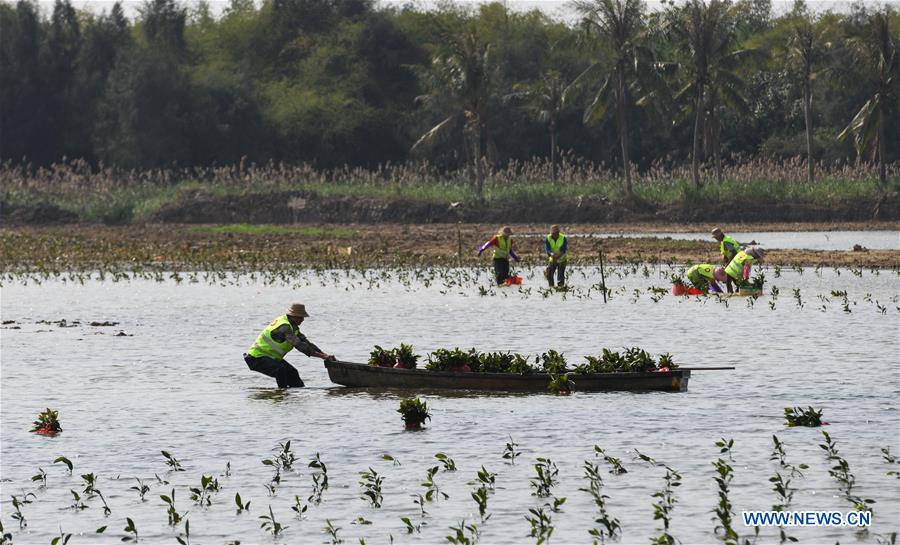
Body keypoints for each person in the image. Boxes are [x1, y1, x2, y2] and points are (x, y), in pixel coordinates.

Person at [244, 303, 335, 388]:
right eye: (300, 317)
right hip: (256, 358)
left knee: (293, 372)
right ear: (293, 316)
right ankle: (282, 394)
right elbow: (299, 345)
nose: (302, 320)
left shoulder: (293, 326)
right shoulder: (284, 326)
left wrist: (325, 355)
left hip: (270, 357)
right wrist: (322, 357)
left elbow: (306, 343)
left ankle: (298, 392)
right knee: (280, 369)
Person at [712, 228, 741, 292]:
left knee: (728, 281)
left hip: (735, 262)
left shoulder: (726, 241)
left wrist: (728, 264)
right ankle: (739, 292)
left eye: (716, 237)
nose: (716, 239)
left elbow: (734, 252)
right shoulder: (725, 240)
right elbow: (727, 253)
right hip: (736, 261)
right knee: (734, 280)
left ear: (720, 235)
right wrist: (725, 261)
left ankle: (730, 295)